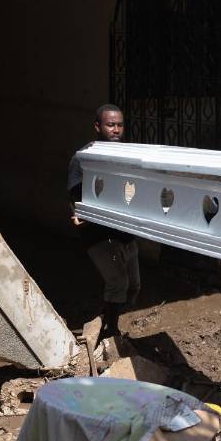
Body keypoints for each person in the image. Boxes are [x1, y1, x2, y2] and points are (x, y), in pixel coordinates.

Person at [69, 104, 139, 339]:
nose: (116, 130)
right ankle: (111, 331)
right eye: (111, 125)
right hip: (98, 234)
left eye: (119, 125)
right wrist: (79, 213)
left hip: (124, 232)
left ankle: (104, 317)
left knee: (133, 286)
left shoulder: (126, 156)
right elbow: (76, 194)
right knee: (118, 282)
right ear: (97, 127)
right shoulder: (83, 159)